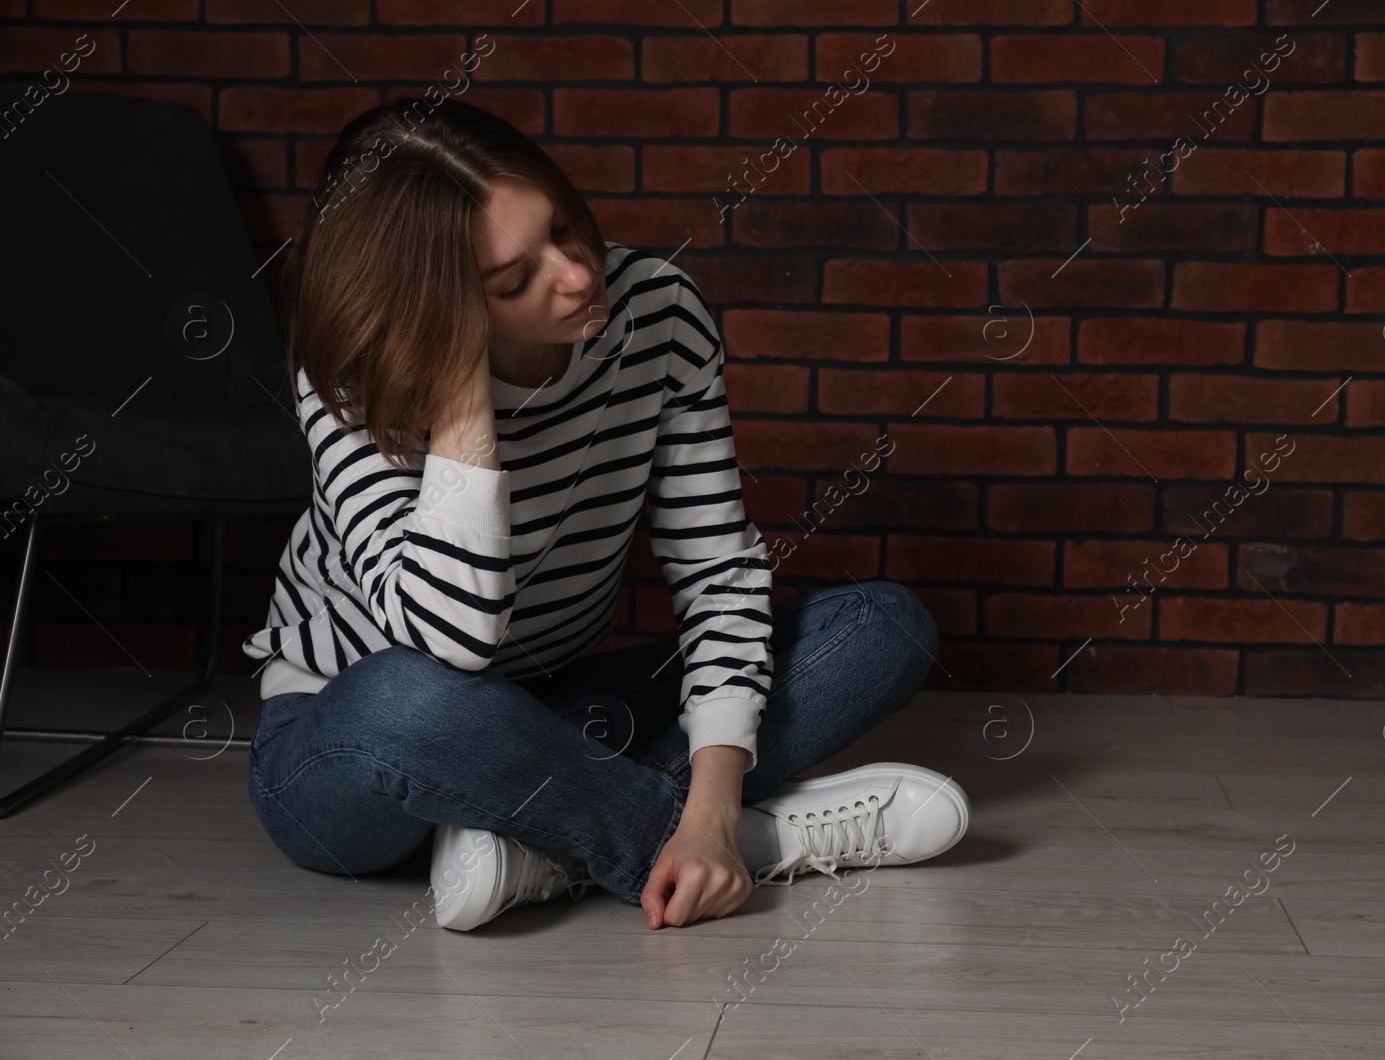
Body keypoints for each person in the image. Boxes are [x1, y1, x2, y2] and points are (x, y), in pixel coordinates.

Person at [241, 96, 969, 933]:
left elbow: (717, 573)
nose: (579, 275)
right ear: (433, 305)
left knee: (885, 627)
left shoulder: (657, 313)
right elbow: (449, 644)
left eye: (565, 228)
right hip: (350, 743)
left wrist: (715, 804)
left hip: (556, 705)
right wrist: (462, 400)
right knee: (410, 697)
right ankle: (727, 843)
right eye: (515, 280)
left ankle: (556, 841)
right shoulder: (351, 376)